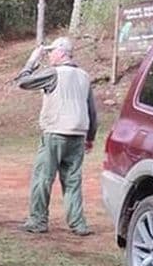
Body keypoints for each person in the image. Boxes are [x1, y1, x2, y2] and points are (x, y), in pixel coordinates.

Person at [14, 36, 97, 236]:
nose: (49, 55)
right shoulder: (84, 76)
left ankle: (38, 220)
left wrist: (32, 61)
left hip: (55, 132)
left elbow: (23, 82)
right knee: (73, 181)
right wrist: (90, 137)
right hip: (78, 134)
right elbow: (92, 110)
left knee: (43, 177)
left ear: (61, 53)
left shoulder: (54, 73)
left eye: (51, 52)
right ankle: (78, 224)